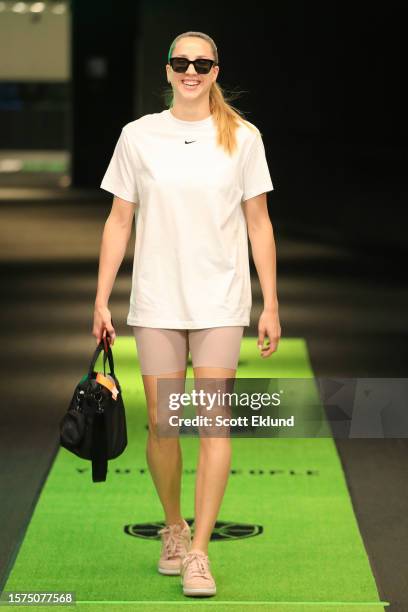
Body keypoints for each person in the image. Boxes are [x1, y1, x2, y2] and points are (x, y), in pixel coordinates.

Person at [93, 30, 281, 598]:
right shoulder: (139, 136)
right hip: (156, 299)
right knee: (162, 422)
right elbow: (118, 220)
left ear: (217, 70)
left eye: (202, 62)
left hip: (221, 299)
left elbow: (259, 224)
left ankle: (200, 551)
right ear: (168, 69)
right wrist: (100, 297)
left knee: (214, 422)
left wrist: (272, 301)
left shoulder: (243, 138)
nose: (191, 70)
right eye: (182, 62)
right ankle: (172, 528)